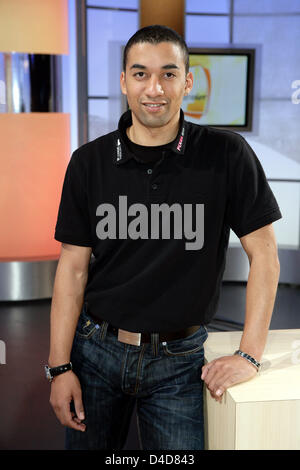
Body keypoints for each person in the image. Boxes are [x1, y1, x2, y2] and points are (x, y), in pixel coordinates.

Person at [46, 25, 282, 450]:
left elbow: (264, 255)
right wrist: (59, 367)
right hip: (95, 353)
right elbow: (73, 268)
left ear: (187, 82)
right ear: (123, 81)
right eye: (140, 74)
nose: (154, 88)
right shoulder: (88, 162)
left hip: (181, 363)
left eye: (169, 74)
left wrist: (249, 354)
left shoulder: (227, 155)